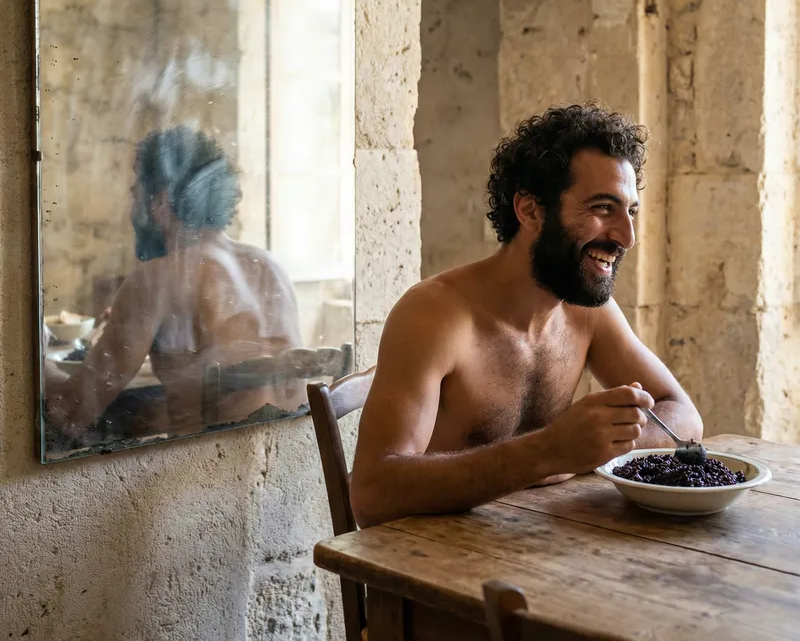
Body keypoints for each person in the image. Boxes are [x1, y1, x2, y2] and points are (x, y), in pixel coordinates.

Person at [350, 103, 703, 528]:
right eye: (602, 208)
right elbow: (371, 494)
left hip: (538, 550)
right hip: (434, 575)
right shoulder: (434, 316)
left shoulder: (587, 311)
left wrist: (593, 448)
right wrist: (548, 452)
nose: (626, 237)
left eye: (630, 211)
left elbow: (683, 416)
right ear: (531, 210)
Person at [45, 125, 301, 440]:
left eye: (136, 193)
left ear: (161, 202)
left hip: (204, 475)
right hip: (283, 460)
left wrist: (36, 363)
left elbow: (72, 410)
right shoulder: (270, 267)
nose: (131, 207)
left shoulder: (157, 280)